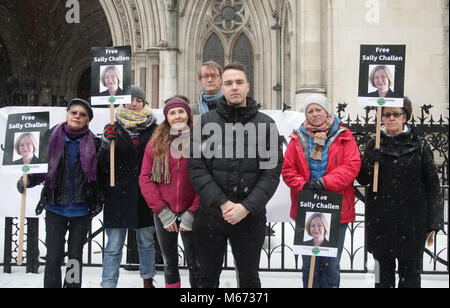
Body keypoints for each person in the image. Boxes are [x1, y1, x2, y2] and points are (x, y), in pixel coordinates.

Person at [188, 62, 284, 288]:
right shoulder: (205, 123)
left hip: (249, 217)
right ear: (222, 88)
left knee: (249, 279)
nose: (234, 87)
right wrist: (222, 203)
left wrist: (246, 207)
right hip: (211, 215)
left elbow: (271, 174)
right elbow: (196, 168)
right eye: (229, 83)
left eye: (239, 82)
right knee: (206, 278)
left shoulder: (266, 124)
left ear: (247, 86)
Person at [356, 97, 444, 288]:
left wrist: (435, 220)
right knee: (382, 278)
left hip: (412, 222)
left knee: (410, 277)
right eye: (387, 114)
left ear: (406, 117)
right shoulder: (374, 144)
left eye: (396, 114)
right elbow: (363, 179)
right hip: (381, 222)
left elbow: (432, 185)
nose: (391, 118)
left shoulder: (420, 145)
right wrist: (369, 162)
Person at [16, 98, 102, 288]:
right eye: (74, 113)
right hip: (55, 207)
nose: (77, 117)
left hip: (81, 209)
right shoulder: (50, 139)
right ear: (67, 114)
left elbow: (101, 175)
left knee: (74, 258)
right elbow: (39, 170)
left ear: (87, 120)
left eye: (82, 115)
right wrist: (27, 180)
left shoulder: (95, 144)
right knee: (53, 257)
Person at [282, 94, 361, 288]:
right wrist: (304, 186)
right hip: (308, 207)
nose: (315, 114)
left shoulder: (344, 135)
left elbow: (351, 165)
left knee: (331, 264)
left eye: (318, 109)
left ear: (326, 112)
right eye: (310, 110)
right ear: (305, 114)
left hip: (336, 207)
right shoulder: (297, 137)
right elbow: (288, 170)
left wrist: (324, 183)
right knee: (310, 265)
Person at [98, 86, 158, 288]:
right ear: (123, 102)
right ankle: (108, 283)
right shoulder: (113, 127)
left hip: (145, 194)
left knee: (147, 243)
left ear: (144, 103)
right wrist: (106, 144)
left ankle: (148, 281)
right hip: (118, 194)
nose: (134, 103)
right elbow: (102, 164)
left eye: (138, 100)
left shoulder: (154, 129)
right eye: (130, 99)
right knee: (114, 246)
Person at [140, 96, 199, 288]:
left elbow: (206, 178)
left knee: (196, 263)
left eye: (181, 111)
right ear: (167, 117)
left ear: (188, 115)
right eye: (172, 113)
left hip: (192, 211)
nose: (177, 116)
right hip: (164, 211)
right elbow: (145, 178)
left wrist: (193, 211)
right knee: (170, 263)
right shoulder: (155, 144)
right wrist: (162, 211)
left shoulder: (200, 142)